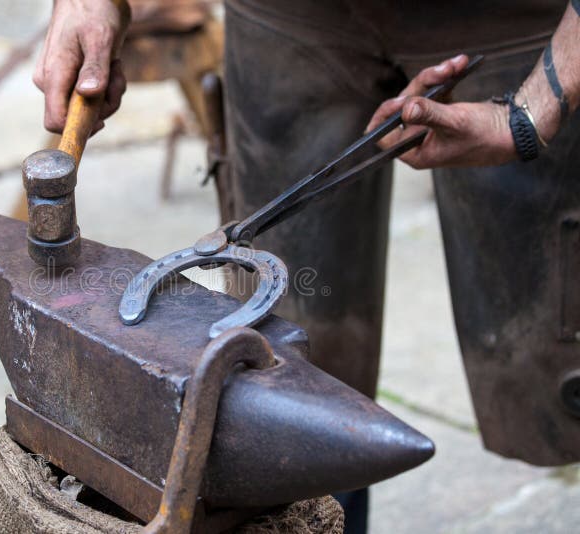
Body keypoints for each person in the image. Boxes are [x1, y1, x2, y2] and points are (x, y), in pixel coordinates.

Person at [33, 1, 580, 533]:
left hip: (518, 19)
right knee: (282, 384)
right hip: (290, 21)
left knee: (559, 363)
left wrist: (538, 107)